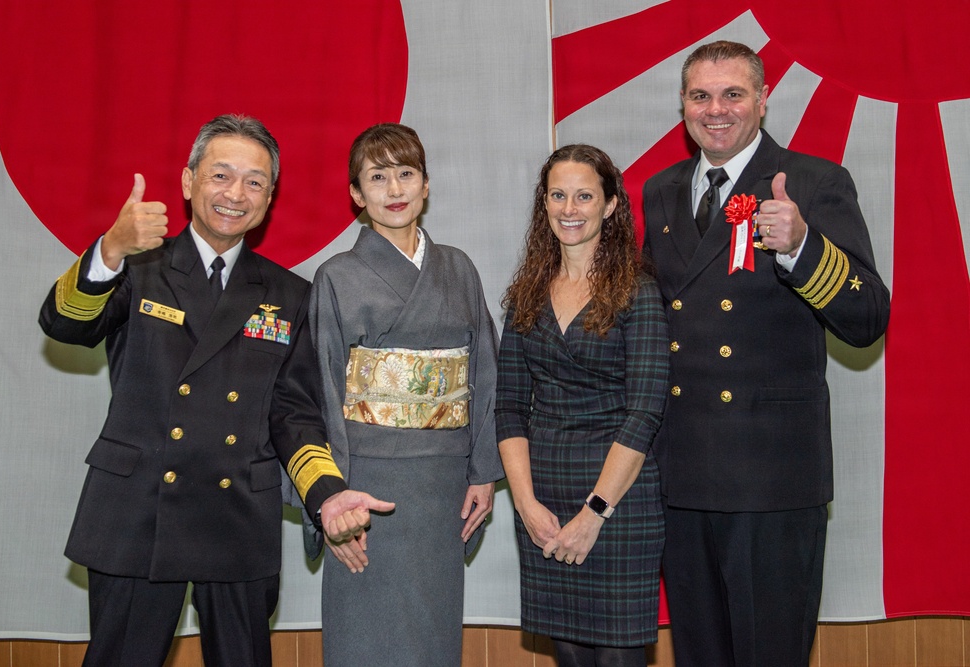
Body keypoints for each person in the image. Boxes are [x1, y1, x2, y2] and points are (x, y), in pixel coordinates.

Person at [39, 114, 392, 667]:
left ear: (270, 197)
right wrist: (109, 248)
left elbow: (293, 413)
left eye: (255, 182)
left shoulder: (288, 294)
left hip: (235, 515)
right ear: (187, 182)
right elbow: (64, 324)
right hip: (138, 511)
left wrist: (326, 493)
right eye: (221, 175)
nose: (236, 194)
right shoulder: (138, 267)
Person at [642, 41, 891, 665]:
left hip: (771, 476)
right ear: (682, 105)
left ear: (763, 100)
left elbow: (867, 319)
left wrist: (803, 247)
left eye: (733, 94)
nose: (716, 110)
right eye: (701, 96)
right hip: (683, 470)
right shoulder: (661, 190)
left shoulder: (813, 182)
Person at [308, 123, 503, 666]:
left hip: (443, 483)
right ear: (356, 193)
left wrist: (483, 472)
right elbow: (323, 392)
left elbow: (486, 374)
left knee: (432, 634)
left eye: (405, 174)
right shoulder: (336, 277)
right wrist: (331, 501)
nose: (393, 189)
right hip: (366, 484)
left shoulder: (458, 268)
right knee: (364, 634)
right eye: (377, 177)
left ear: (425, 185)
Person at [496, 144, 670, 667]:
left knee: (617, 657)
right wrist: (525, 505)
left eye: (585, 196)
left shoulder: (638, 293)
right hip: (544, 500)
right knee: (569, 655)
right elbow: (507, 408)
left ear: (611, 205)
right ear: (543, 204)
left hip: (618, 500)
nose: (570, 209)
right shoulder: (526, 292)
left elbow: (644, 413)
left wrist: (594, 513)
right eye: (558, 196)